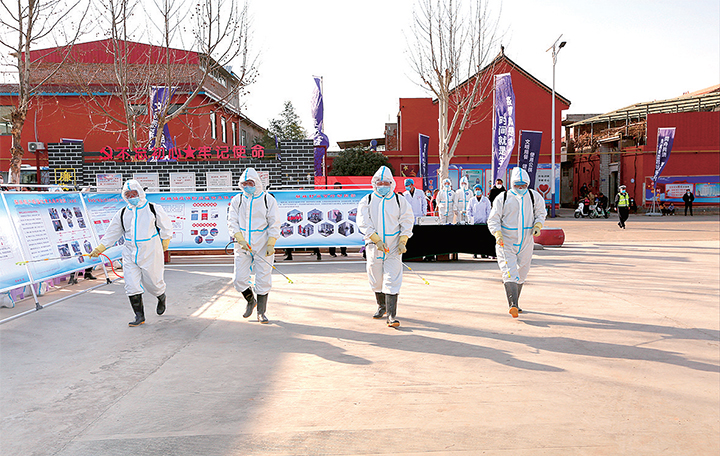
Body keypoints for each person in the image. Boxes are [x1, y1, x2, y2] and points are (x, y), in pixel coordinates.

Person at [89, 180, 173, 326]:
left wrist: (165, 240)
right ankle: (139, 316)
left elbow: (166, 226)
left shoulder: (153, 208)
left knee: (153, 283)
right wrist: (101, 248)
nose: (131, 197)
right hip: (129, 253)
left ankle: (161, 296)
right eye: (128, 194)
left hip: (151, 251)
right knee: (131, 284)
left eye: (134, 193)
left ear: (140, 192)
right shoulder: (122, 213)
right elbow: (113, 232)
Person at [357, 166, 414, 327]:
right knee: (375, 277)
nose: (383, 185)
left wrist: (403, 241)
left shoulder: (399, 200)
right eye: (380, 183)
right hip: (374, 246)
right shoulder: (367, 200)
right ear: (374, 183)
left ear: (391, 183)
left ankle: (391, 316)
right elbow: (363, 222)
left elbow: (407, 220)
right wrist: (375, 239)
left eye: (386, 183)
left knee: (392, 278)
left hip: (393, 246)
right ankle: (381, 306)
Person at [488, 168, 546, 318]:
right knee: (509, 271)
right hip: (506, 241)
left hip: (526, 241)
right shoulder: (503, 198)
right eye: (517, 185)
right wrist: (497, 233)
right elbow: (493, 218)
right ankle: (512, 304)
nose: (520, 188)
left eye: (523, 185)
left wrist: (538, 225)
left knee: (523, 272)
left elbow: (541, 212)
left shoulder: (534, 197)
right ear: (512, 184)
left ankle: (516, 302)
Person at [227, 168, 280, 324]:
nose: (247, 186)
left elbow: (274, 222)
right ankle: (251, 300)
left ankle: (261, 312)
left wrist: (271, 242)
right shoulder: (237, 200)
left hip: (262, 243)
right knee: (239, 279)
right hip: (242, 244)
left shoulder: (267, 200)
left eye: (250, 183)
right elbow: (232, 221)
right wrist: (239, 238)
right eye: (244, 183)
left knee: (263, 277)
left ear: (257, 183)